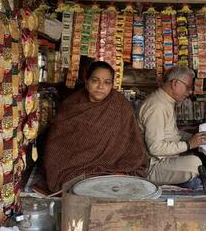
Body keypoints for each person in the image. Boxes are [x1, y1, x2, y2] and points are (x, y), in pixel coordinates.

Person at [43, 61, 147, 192]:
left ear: (112, 85)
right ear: (87, 82)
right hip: (72, 170)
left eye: (107, 82)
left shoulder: (121, 106)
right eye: (95, 80)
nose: (100, 86)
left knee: (118, 181)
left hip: (112, 169)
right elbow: (57, 146)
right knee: (74, 183)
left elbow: (132, 144)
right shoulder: (71, 105)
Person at [138, 65, 206, 188]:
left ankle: (187, 182)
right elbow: (155, 148)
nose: (190, 92)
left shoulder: (166, 101)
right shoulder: (157, 106)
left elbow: (171, 134)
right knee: (195, 163)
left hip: (165, 160)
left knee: (196, 161)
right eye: (188, 87)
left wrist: (195, 137)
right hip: (153, 167)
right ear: (175, 83)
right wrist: (189, 144)